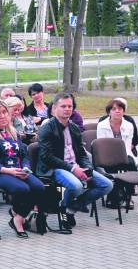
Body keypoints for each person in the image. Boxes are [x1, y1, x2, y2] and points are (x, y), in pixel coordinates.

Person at [36, 92, 113, 227]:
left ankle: (69, 209)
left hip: (75, 166)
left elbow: (82, 154)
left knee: (107, 185)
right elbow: (47, 157)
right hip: (54, 168)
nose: (67, 109)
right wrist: (73, 169)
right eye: (63, 106)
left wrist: (87, 169)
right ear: (54, 108)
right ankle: (64, 210)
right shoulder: (46, 128)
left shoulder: (74, 128)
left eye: (70, 106)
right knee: (76, 186)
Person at [0, 99, 46, 238]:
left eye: (5, 112)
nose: (2, 116)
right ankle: (18, 220)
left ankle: (17, 214)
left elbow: (24, 154)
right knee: (23, 189)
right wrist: (7, 170)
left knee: (39, 187)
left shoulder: (13, 132)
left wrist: (25, 168)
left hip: (17, 170)